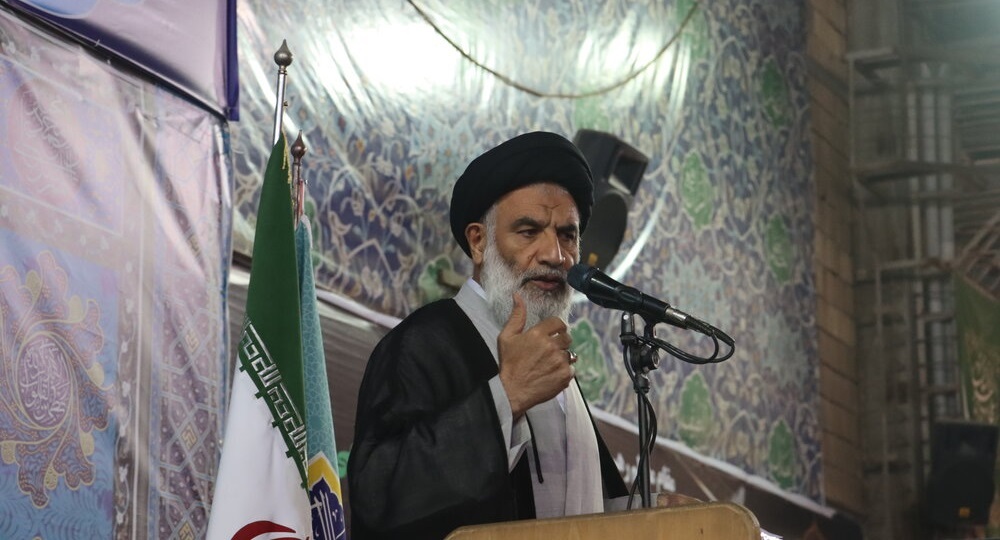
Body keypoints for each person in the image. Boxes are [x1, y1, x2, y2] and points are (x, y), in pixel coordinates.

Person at [347, 131, 628, 540]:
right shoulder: (423, 343)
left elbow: (582, 509)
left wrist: (656, 511)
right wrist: (505, 397)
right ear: (479, 242)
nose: (556, 255)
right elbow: (378, 497)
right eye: (529, 232)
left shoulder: (553, 364)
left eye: (567, 235)